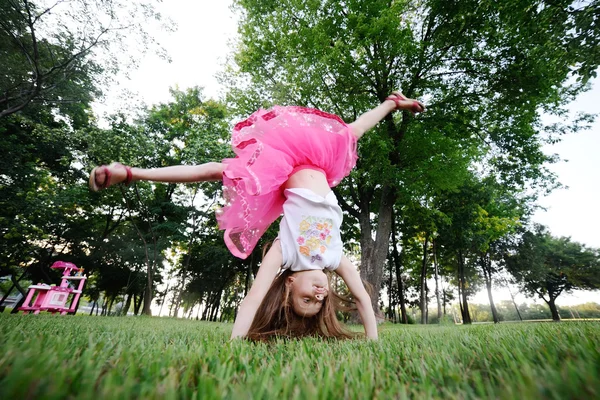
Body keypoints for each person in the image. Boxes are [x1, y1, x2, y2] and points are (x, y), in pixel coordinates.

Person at [89, 92, 425, 340]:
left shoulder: (285, 252)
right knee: (352, 133)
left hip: (284, 165)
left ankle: (130, 173)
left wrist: (235, 344)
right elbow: (363, 298)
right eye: (318, 302)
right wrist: (373, 343)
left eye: (306, 298)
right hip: (320, 164)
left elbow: (252, 300)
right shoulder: (334, 258)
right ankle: (393, 103)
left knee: (216, 171)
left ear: (290, 283)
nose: (319, 295)